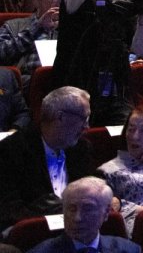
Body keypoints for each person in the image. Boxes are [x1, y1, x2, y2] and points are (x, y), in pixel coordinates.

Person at [0, 85, 93, 228]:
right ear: (60, 117)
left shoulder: (81, 148)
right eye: (84, 118)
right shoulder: (11, 150)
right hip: (34, 231)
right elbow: (8, 210)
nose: (87, 126)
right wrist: (52, 217)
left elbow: (90, 189)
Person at [27, 177, 140, 253]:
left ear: (106, 213)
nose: (77, 218)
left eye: (88, 209)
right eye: (72, 209)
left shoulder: (129, 250)